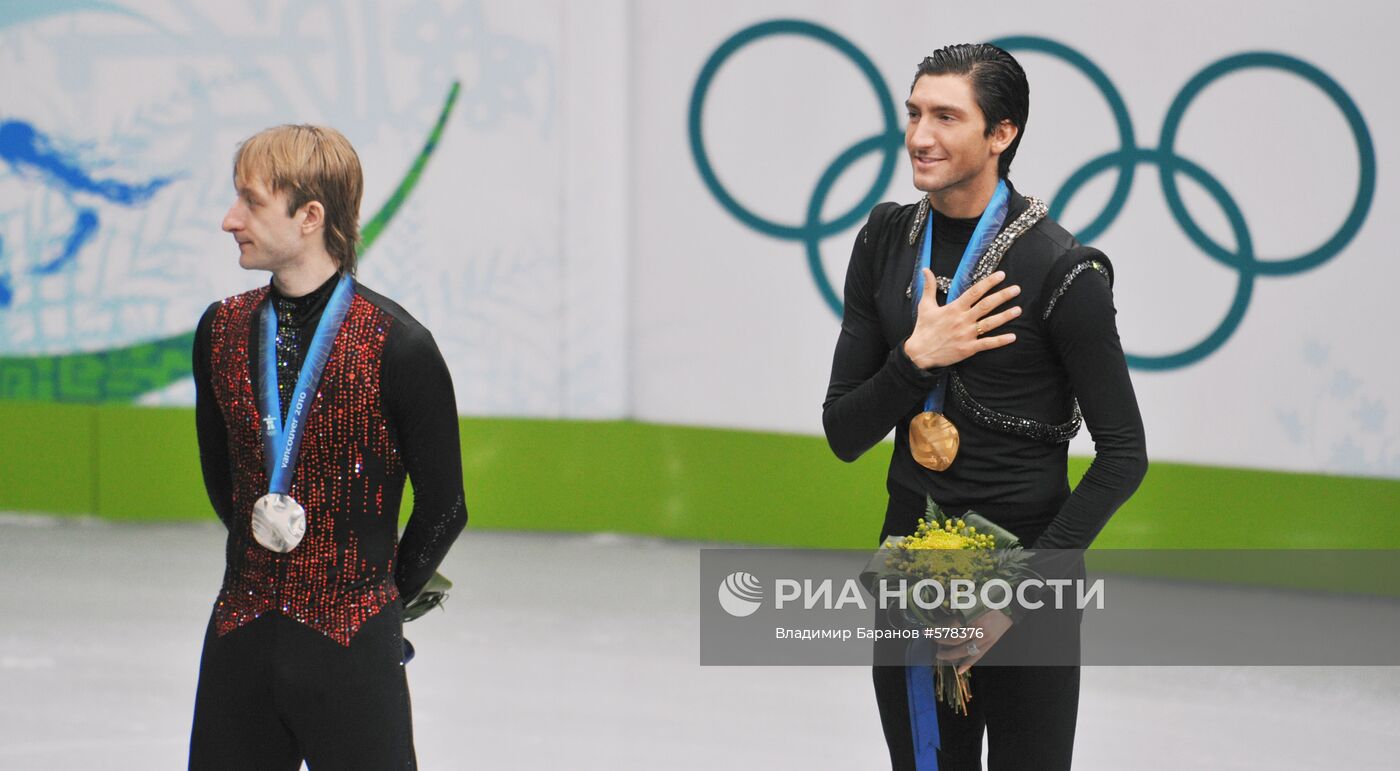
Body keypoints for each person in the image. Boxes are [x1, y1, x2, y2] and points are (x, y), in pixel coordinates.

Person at [822, 44, 1148, 770]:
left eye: (946, 116)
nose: (919, 135)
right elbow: (844, 431)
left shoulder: (1063, 270)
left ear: (1001, 134)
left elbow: (1124, 456)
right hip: (915, 574)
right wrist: (916, 358)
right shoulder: (885, 241)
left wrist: (1012, 598)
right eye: (913, 113)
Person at [189, 124, 467, 770]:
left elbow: (445, 506)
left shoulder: (399, 346)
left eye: (251, 202)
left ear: (310, 216)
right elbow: (224, 480)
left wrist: (375, 598)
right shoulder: (221, 331)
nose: (231, 219)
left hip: (352, 652)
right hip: (241, 636)